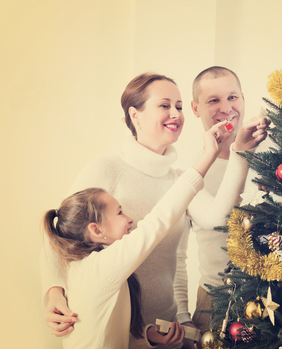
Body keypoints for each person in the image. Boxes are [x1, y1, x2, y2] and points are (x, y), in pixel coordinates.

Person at [40, 73, 269, 348]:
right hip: (111, 325)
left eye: (180, 106)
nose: (175, 113)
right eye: (164, 105)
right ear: (135, 115)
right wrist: (54, 292)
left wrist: (240, 150)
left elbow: (217, 218)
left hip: (161, 329)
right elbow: (60, 232)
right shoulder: (106, 169)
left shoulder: (179, 176)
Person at [41, 119, 231, 348]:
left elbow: (113, 333)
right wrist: (209, 155)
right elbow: (158, 221)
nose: (130, 218)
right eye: (120, 213)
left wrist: (148, 335)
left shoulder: (90, 269)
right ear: (96, 229)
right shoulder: (100, 269)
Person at [174, 66, 269, 345]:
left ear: (243, 99)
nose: (226, 108)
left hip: (275, 296)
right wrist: (182, 314)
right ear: (195, 108)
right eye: (213, 100)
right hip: (215, 301)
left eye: (232, 97)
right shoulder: (189, 172)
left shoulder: (274, 160)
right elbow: (176, 255)